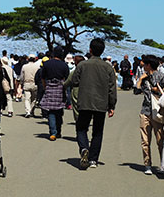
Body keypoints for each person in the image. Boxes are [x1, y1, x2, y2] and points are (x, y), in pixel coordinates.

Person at [70, 38, 117, 170]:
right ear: (102, 51)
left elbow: (74, 81)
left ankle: (84, 148)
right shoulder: (108, 67)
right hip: (101, 103)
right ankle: (93, 160)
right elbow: (112, 88)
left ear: (90, 50)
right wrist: (112, 105)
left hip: (85, 101)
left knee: (81, 128)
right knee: (97, 131)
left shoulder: (82, 65)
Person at [135, 55, 164, 175]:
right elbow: (136, 90)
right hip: (145, 110)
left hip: (158, 110)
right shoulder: (144, 77)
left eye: (144, 64)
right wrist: (141, 78)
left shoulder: (161, 76)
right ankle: (147, 164)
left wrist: (158, 90)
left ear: (149, 65)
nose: (143, 66)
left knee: (160, 139)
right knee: (145, 140)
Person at [40, 46, 69, 140]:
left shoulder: (47, 64)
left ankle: (53, 132)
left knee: (51, 112)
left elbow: (43, 77)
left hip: (49, 87)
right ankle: (59, 131)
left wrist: (45, 87)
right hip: (60, 88)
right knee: (59, 111)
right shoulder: (64, 65)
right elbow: (67, 79)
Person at [0, 52, 14, 117]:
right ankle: (10, 111)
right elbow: (11, 78)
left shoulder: (0, 68)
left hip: (2, 85)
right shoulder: (10, 68)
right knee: (9, 98)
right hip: (8, 85)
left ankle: (0, 111)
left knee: (1, 98)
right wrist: (12, 86)